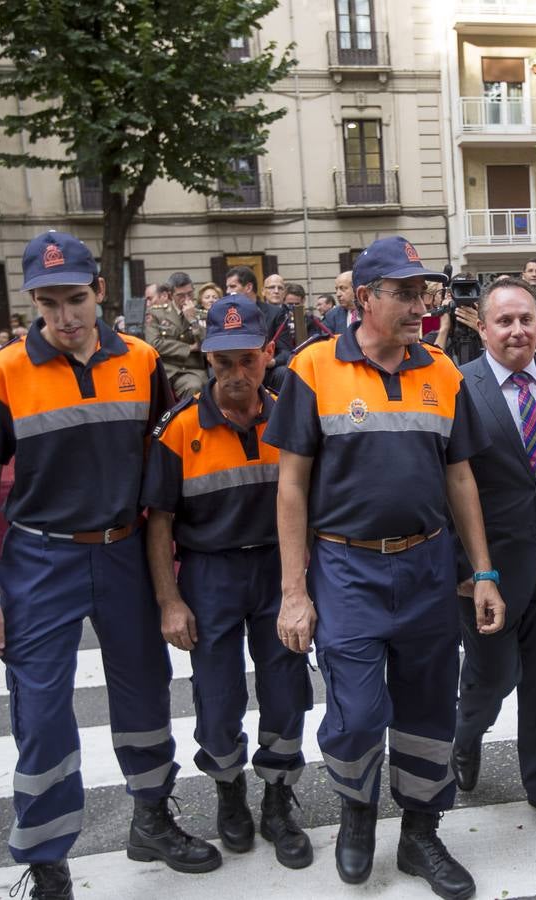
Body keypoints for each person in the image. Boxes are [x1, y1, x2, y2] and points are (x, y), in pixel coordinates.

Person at [0, 231, 219, 898]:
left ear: (100, 291)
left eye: (76, 298)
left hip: (125, 551)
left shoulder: (140, 358)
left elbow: (165, 466)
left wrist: (175, 573)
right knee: (41, 709)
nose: (66, 317)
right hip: (40, 556)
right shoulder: (1, 373)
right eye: (49, 303)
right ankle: (48, 859)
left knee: (144, 691)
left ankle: (152, 817)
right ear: (32, 302)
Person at [265, 235, 504, 898]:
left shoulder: (442, 371)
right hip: (346, 571)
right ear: (363, 298)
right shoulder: (312, 369)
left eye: (422, 291)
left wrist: (482, 571)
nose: (419, 304)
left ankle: (420, 835)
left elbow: (460, 479)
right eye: (402, 292)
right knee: (358, 713)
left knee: (430, 711)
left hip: (427, 568)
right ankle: (357, 812)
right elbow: (289, 486)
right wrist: (294, 592)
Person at [142, 294, 314, 870]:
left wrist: (305, 587)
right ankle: (229, 792)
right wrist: (169, 601)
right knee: (216, 697)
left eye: (248, 360)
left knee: (287, 689)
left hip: (278, 568)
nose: (236, 375)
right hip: (210, 574)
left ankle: (277, 800)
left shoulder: (291, 415)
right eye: (222, 364)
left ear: (268, 355)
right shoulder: (178, 428)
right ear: (205, 360)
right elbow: (158, 523)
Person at [450, 275, 536, 835]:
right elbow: (449, 486)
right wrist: (464, 570)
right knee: (492, 678)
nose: (516, 331)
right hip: (489, 573)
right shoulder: (459, 387)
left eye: (526, 319)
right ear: (482, 328)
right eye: (504, 321)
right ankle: (467, 734)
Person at [146, 273, 207, 401]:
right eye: (181, 295)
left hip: (192, 370)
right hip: (166, 370)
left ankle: (190, 421)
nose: (186, 298)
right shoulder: (157, 314)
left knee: (193, 387)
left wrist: (193, 320)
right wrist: (189, 348)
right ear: (171, 295)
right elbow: (153, 343)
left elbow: (207, 345)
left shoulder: (201, 315)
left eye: (190, 293)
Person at [322, 270, 359, 335]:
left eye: (342, 288)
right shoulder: (331, 316)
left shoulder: (371, 310)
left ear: (355, 288)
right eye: (336, 289)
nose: (338, 294)